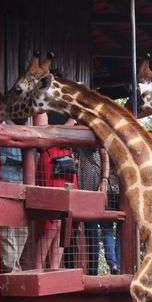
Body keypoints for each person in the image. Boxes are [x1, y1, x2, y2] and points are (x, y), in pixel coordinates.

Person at [34, 112, 77, 270]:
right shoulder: (43, 108)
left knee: (64, 220)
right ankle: (38, 268)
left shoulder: (67, 106)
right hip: (52, 160)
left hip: (66, 161)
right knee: (51, 221)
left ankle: (54, 268)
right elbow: (42, 139)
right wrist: (70, 124)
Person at [0, 120, 28, 273]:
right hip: (4, 183)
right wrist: (12, 161)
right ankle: (12, 270)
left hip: (22, 184)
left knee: (22, 229)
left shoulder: (25, 129)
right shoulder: (0, 127)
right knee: (6, 231)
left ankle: (14, 266)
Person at [75, 146, 110, 275]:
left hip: (92, 182)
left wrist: (104, 180)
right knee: (86, 230)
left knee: (92, 230)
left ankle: (93, 271)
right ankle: (85, 270)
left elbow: (103, 152)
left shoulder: (95, 133)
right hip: (82, 180)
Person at [101, 169, 121, 274]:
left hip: (107, 192)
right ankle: (118, 266)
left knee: (107, 230)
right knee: (120, 232)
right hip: (121, 192)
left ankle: (112, 263)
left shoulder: (104, 153)